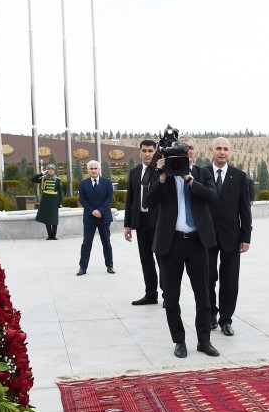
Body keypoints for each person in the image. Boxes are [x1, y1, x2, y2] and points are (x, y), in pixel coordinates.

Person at [145, 134, 219, 358]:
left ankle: (204, 341)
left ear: (195, 152)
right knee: (172, 298)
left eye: (190, 148)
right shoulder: (163, 175)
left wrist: (188, 179)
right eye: (182, 149)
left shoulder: (202, 173)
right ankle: (179, 341)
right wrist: (162, 176)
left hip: (197, 242)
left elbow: (212, 197)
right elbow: (148, 202)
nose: (186, 152)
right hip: (171, 244)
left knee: (203, 296)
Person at [205, 137, 252, 336]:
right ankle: (210, 315)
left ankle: (226, 319)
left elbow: (244, 209)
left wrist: (246, 236)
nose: (222, 152)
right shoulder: (202, 173)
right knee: (207, 278)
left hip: (232, 236)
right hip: (206, 236)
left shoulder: (239, 177)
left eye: (225, 149)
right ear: (211, 150)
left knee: (230, 279)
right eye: (218, 148)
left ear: (229, 152)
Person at [124, 140, 161, 304]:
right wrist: (128, 224)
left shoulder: (161, 172)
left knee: (162, 260)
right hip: (141, 222)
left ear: (155, 153)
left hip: (160, 223)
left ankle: (168, 296)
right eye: (144, 151)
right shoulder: (134, 173)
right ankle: (151, 294)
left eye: (150, 151)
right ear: (140, 153)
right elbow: (130, 200)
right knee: (146, 260)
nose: (147, 154)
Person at [76, 160, 115, 275]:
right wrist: (93, 211)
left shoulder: (107, 183)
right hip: (89, 217)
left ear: (99, 169)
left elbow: (109, 198)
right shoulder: (83, 183)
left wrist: (100, 210)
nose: (93, 170)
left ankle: (110, 265)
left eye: (95, 168)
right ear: (88, 170)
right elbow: (82, 200)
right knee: (86, 243)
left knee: (106, 242)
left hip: (103, 217)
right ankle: (83, 267)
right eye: (91, 168)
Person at [32, 164, 63, 240]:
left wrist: (60, 202)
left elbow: (60, 192)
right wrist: (41, 173)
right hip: (45, 199)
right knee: (47, 218)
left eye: (52, 169)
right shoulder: (44, 179)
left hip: (54, 200)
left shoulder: (58, 180)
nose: (50, 171)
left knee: (54, 218)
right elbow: (33, 179)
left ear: (54, 171)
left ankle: (54, 235)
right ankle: (49, 235)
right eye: (49, 169)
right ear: (47, 171)